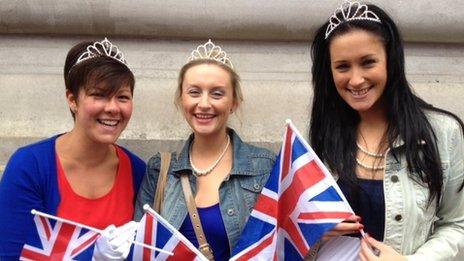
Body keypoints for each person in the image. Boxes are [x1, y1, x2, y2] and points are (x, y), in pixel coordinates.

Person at [309, 1, 464, 260]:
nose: (356, 80)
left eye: (368, 62)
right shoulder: (320, 137)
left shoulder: (442, 132)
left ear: (390, 61)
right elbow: (292, 228)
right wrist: (314, 231)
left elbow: (457, 223)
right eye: (343, 66)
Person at [0, 38, 146, 259]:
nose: (113, 108)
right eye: (99, 95)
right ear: (72, 99)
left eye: (123, 97)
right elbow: (9, 254)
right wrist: (92, 256)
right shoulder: (31, 166)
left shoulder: (138, 171)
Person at [135, 39, 275, 260]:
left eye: (217, 93)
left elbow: (282, 244)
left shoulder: (264, 167)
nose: (204, 104)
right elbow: (141, 248)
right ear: (181, 99)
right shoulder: (160, 170)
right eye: (194, 92)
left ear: (234, 102)